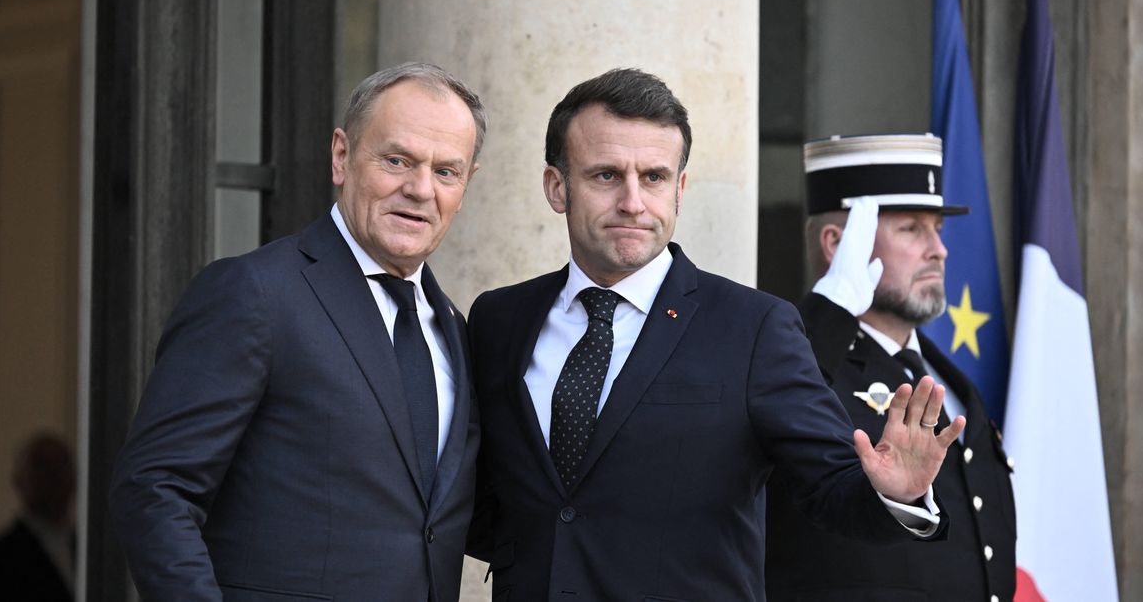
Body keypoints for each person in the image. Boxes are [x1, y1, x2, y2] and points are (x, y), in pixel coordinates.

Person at [466, 69, 963, 601]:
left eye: (654, 177)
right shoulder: (500, 319)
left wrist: (896, 494)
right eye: (607, 175)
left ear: (679, 189)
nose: (633, 202)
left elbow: (831, 486)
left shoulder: (754, 328)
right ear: (557, 187)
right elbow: (478, 497)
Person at [109, 62, 486, 601]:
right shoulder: (254, 293)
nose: (420, 189)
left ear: (465, 186)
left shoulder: (451, 325)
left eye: (446, 171)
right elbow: (154, 489)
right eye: (397, 160)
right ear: (341, 156)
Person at [765, 133, 1016, 601]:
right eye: (911, 229)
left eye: (937, 228)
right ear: (838, 244)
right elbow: (776, 394)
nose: (938, 249)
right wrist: (832, 308)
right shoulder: (801, 362)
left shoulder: (946, 376)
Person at [0, 432, 76, 602]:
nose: (54, 475)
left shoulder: (95, 551)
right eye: (41, 466)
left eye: (62, 465)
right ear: (18, 480)